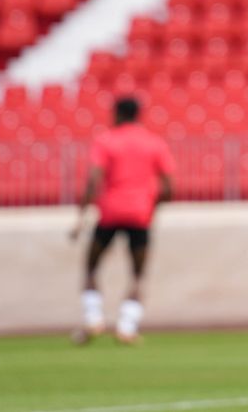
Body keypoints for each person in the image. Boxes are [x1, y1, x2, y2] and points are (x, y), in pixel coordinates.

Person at [69, 96, 173, 345]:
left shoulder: (106, 141)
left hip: (110, 213)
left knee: (91, 267)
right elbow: (169, 187)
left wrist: (81, 217)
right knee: (137, 275)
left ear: (116, 114)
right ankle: (127, 327)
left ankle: (93, 319)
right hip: (140, 214)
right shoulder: (154, 143)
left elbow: (94, 180)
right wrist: (151, 208)